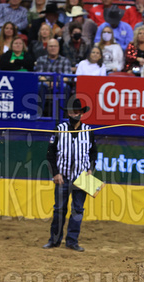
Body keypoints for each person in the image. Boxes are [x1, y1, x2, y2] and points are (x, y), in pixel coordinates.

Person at [43, 97, 98, 252]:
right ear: (68, 113)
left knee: (78, 210)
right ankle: (54, 240)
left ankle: (72, 241)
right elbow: (50, 153)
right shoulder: (59, 129)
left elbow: (94, 153)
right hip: (63, 176)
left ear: (82, 113)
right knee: (59, 209)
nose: (76, 114)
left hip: (82, 178)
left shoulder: (89, 131)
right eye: (73, 111)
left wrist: (90, 170)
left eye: (78, 111)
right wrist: (55, 173)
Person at [35, 39, 73, 113]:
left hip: (60, 85)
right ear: (47, 48)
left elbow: (67, 77)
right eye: (51, 46)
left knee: (65, 87)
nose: (53, 48)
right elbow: (39, 75)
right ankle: (39, 114)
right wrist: (48, 83)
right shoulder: (41, 59)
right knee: (40, 85)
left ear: (58, 47)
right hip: (45, 85)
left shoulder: (65, 60)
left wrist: (57, 83)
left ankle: (61, 114)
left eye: (55, 46)